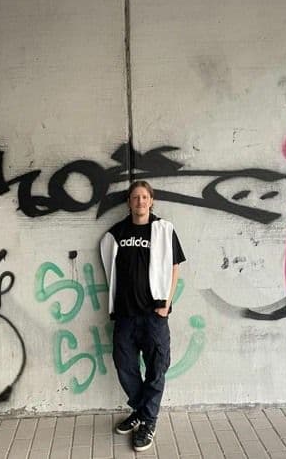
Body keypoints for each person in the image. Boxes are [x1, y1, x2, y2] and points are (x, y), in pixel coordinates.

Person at [100, 180, 185, 452]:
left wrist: (166, 304)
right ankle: (141, 411)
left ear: (151, 200)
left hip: (153, 315)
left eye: (144, 197)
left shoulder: (164, 230)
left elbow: (175, 267)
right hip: (125, 315)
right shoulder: (117, 232)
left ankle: (148, 421)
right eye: (135, 197)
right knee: (124, 365)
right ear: (129, 202)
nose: (140, 202)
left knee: (157, 367)